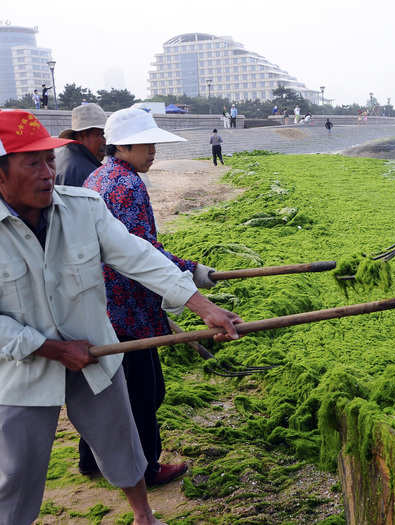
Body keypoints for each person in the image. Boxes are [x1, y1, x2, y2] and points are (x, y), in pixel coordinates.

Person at [0, 110, 242, 525]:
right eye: (32, 163)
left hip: (96, 350)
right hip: (22, 365)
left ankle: (143, 516)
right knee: (16, 471)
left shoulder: (83, 208)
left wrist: (201, 306)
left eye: (49, 160)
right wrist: (51, 348)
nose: (48, 173)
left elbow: (139, 255)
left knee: (123, 442)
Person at [82, 108, 222, 487]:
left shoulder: (99, 176)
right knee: (145, 391)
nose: (154, 151)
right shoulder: (126, 184)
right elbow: (139, 250)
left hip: (105, 303)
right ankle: (146, 467)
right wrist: (190, 271)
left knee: (111, 384)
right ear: (123, 145)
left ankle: (91, 460)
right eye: (147, 143)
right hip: (130, 305)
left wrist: (187, 271)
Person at [55, 103, 107, 186]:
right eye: (100, 135)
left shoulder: (61, 154)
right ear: (83, 135)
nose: (105, 142)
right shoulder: (86, 172)